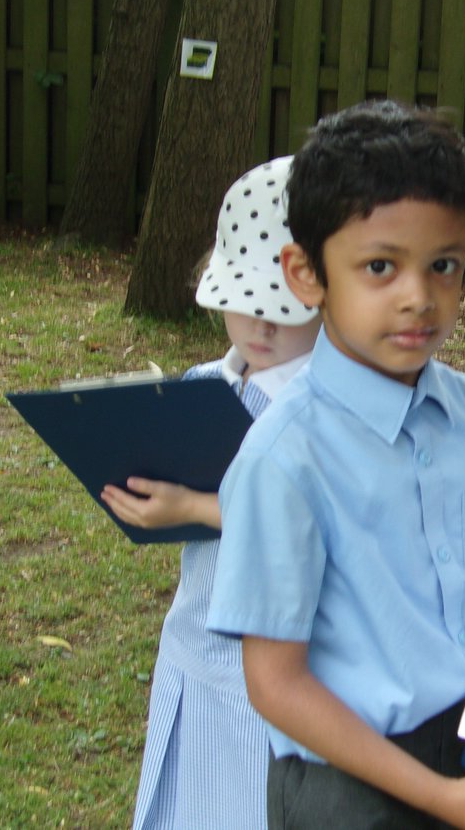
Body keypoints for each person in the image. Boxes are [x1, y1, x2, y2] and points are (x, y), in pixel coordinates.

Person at [206, 100, 465, 828]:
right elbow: (276, 685)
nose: (418, 298)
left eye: (443, 266)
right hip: (350, 789)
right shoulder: (283, 459)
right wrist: (439, 798)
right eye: (380, 267)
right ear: (306, 273)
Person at [100, 156, 321, 830]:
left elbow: (314, 518)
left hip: (283, 668)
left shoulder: (327, 407)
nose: (261, 328)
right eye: (246, 305)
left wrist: (194, 508)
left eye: (283, 310)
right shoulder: (204, 386)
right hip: (195, 645)